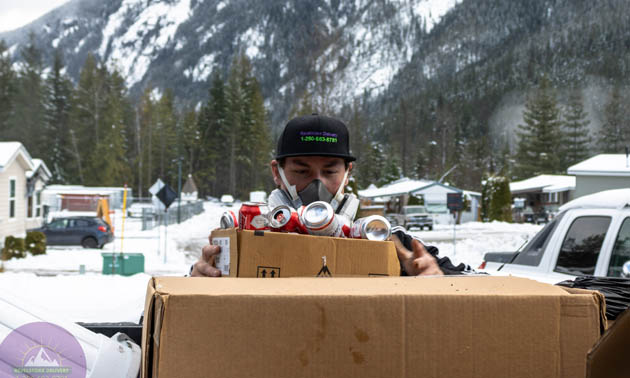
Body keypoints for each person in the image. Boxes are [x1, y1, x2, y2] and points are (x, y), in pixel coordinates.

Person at [190, 114, 471, 277]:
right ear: (277, 173)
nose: (318, 185)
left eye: (329, 171)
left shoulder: (389, 240)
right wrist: (198, 277)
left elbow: (476, 281)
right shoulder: (243, 239)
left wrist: (432, 275)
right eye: (301, 171)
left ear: (348, 172)